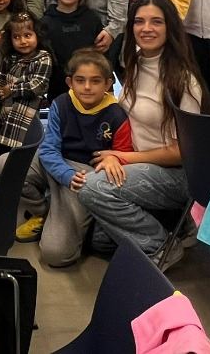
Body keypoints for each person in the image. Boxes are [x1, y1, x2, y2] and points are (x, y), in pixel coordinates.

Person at [78, 0, 210, 271]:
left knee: (93, 188)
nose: (146, 28)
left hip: (177, 174)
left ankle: (161, 245)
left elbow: (181, 153)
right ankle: (176, 224)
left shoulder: (182, 80)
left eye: (156, 22)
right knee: (101, 242)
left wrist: (123, 159)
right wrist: (117, 155)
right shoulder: (135, 62)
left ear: (170, 27)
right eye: (139, 21)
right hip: (140, 162)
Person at [15, 50, 133, 267]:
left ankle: (72, 222)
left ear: (108, 84)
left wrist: (114, 159)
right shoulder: (61, 103)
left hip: (84, 179)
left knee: (56, 255)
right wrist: (65, 174)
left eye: (95, 81)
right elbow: (49, 149)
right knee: (7, 165)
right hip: (59, 167)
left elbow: (122, 155)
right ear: (70, 82)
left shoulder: (117, 115)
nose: (87, 87)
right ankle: (43, 213)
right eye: (80, 80)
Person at [0, 12, 52, 151]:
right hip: (4, 117)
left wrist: (12, 90)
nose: (23, 41)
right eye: (16, 37)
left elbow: (37, 86)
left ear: (37, 35)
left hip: (26, 119)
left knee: (21, 154)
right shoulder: (10, 58)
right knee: (0, 152)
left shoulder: (43, 58)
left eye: (27, 35)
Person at [43, 0, 103, 100]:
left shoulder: (92, 20)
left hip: (89, 90)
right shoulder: (45, 23)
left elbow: (101, 57)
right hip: (57, 91)